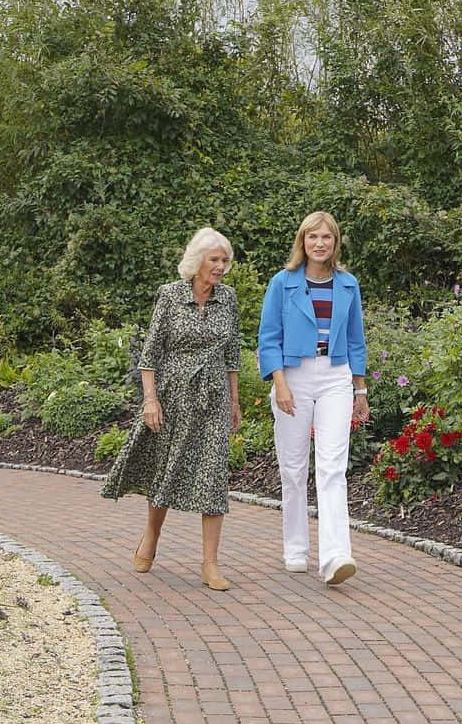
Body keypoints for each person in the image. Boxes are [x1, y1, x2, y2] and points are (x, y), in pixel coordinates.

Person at [101, 227, 241, 591]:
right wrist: (151, 399)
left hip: (212, 398)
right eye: (215, 259)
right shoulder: (169, 295)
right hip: (173, 394)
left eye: (225, 260)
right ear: (197, 261)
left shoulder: (228, 299)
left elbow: (232, 355)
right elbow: (151, 352)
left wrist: (235, 402)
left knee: (213, 476)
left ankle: (210, 563)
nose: (221, 267)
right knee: (166, 469)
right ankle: (151, 533)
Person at [257, 211, 369, 586]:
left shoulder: (348, 284)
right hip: (293, 376)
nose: (319, 243)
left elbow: (356, 340)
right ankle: (295, 549)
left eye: (327, 237)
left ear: (335, 243)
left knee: (332, 467)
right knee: (292, 468)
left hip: (335, 375)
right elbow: (268, 337)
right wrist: (280, 382)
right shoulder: (282, 283)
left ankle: (336, 556)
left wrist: (361, 389)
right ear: (302, 242)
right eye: (312, 237)